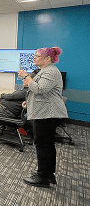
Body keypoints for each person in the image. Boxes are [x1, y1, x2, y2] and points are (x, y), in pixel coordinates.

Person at [18, 47, 68, 188]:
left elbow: (40, 89)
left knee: (42, 145)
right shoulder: (46, 71)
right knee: (47, 145)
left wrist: (26, 77)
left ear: (47, 58)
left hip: (48, 114)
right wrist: (29, 101)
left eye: (37, 55)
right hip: (46, 113)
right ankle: (48, 174)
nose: (34, 57)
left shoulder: (51, 71)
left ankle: (42, 178)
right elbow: (42, 91)